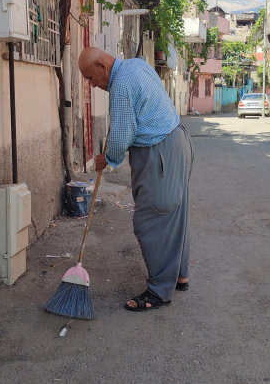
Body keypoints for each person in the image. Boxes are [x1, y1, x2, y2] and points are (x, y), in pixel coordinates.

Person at [78, 47, 194, 312]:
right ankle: (179, 276)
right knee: (176, 214)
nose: (92, 85)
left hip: (160, 152)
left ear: (102, 66)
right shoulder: (135, 65)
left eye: (90, 77)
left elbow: (120, 137)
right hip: (177, 140)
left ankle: (159, 291)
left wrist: (105, 158)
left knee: (151, 221)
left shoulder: (121, 86)